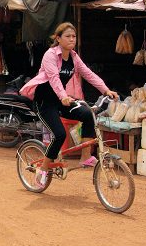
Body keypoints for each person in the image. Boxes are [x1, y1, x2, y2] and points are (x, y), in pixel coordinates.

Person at [20, 22, 118, 186]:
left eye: (74, 36)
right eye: (68, 36)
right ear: (58, 38)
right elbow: (54, 78)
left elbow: (88, 73)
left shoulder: (73, 56)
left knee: (88, 114)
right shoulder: (50, 55)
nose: (72, 39)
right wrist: (63, 96)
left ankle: (85, 157)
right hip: (45, 102)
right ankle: (43, 170)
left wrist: (106, 90)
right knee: (59, 135)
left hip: (62, 100)